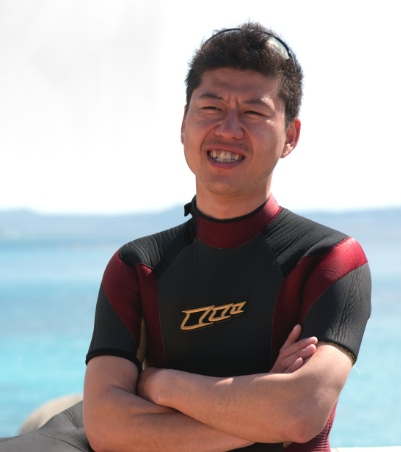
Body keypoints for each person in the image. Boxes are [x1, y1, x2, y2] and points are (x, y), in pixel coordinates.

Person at [0, 22, 371, 452]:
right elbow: (104, 426)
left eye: (254, 113)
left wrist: (159, 383)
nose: (228, 129)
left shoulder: (327, 260)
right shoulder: (138, 266)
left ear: (290, 136)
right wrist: (263, 409)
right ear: (183, 124)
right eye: (211, 107)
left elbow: (299, 412)